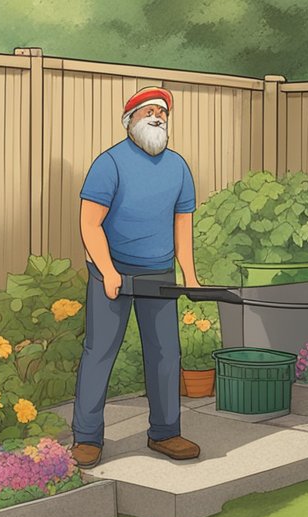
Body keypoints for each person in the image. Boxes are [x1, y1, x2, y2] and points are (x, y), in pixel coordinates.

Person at [70, 86, 202, 469]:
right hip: (113, 274)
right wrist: (108, 271)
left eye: (162, 112)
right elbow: (89, 223)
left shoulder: (178, 167)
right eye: (148, 112)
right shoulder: (109, 164)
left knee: (165, 354)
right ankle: (87, 438)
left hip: (158, 273)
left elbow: (182, 225)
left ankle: (165, 432)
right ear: (131, 121)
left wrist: (189, 276)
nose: (157, 117)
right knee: (100, 353)